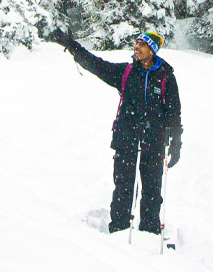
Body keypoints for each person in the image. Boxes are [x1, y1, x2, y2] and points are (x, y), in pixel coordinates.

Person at [50, 29, 182, 234]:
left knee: (152, 191)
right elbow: (97, 65)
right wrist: (72, 45)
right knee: (123, 188)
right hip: (126, 139)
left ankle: (149, 232)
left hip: (153, 143)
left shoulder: (166, 77)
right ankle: (119, 230)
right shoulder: (127, 72)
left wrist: (176, 142)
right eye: (136, 43)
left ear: (152, 51)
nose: (136, 47)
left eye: (142, 44)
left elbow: (174, 113)